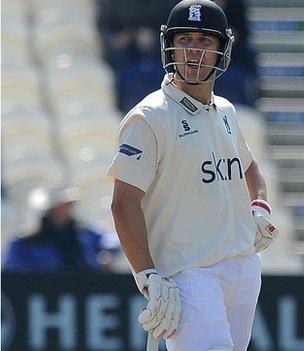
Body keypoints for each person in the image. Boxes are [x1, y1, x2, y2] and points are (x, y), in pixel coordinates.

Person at [107, 1, 278, 349]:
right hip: (189, 273)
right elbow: (123, 203)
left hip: (242, 265)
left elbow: (249, 166)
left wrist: (259, 207)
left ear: (222, 49)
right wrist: (148, 275)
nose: (194, 50)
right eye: (185, 38)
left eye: (205, 40)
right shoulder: (149, 117)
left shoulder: (226, 110)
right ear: (169, 45)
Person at [3, 187, 115, 272]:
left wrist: (107, 252)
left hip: (82, 286)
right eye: (62, 206)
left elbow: (111, 239)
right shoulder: (27, 240)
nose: (66, 210)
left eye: (67, 206)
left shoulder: (82, 233)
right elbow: (12, 265)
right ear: (51, 209)